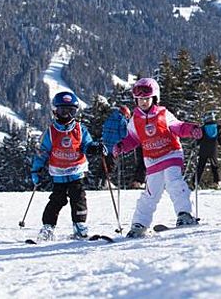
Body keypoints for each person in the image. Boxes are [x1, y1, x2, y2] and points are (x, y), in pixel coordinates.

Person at [112, 77, 203, 237]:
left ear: (154, 98)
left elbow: (178, 126)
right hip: (152, 160)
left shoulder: (163, 113)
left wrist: (191, 129)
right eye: (140, 99)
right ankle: (139, 224)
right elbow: (133, 138)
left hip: (171, 153)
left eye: (146, 99)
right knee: (151, 192)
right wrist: (121, 146)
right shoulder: (135, 119)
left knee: (173, 182)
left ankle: (185, 214)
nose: (143, 102)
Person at [30, 91, 103, 241]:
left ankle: (80, 226)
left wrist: (93, 148)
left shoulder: (80, 129)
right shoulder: (51, 132)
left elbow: (86, 144)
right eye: (63, 111)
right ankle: (48, 228)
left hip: (76, 171)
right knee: (57, 200)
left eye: (71, 111)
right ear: (55, 111)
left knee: (79, 198)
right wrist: (36, 170)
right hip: (58, 174)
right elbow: (42, 152)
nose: (67, 115)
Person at [102, 105, 146, 189]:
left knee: (105, 164)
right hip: (115, 145)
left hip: (106, 145)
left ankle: (102, 181)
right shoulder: (122, 120)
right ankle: (105, 182)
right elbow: (124, 134)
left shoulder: (109, 118)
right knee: (112, 164)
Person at [195, 111, 221, 187]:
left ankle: (195, 182)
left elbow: (199, 139)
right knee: (215, 165)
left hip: (203, 149)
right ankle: (218, 182)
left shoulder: (203, 128)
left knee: (200, 166)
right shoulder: (218, 127)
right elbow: (220, 139)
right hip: (213, 149)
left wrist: (194, 145)